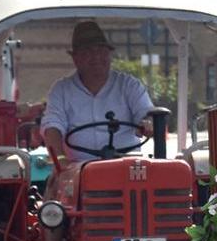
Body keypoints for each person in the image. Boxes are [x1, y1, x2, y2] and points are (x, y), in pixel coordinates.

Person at [41, 20, 154, 166]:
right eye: (88, 52)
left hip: (126, 168)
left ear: (109, 54)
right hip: (79, 171)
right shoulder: (61, 90)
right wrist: (60, 162)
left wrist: (148, 123)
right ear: (75, 58)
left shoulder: (129, 86)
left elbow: (147, 114)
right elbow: (52, 126)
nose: (96, 57)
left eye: (101, 51)